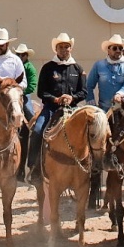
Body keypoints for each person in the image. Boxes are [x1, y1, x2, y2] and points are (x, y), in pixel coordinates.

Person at [28, 33, 87, 177]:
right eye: (61, 47)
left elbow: (84, 92)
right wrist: (56, 99)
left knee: (88, 132)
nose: (64, 49)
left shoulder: (78, 69)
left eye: (67, 46)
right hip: (51, 108)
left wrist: (71, 98)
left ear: (71, 49)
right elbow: (42, 92)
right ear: (56, 49)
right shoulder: (48, 68)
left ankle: (91, 166)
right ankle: (33, 167)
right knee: (37, 130)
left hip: (72, 108)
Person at [86, 34, 124, 108]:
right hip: (105, 109)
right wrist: (91, 102)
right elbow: (89, 85)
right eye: (115, 48)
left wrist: (120, 94)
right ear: (108, 50)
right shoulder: (98, 65)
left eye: (120, 48)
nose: (118, 50)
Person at [13, 43, 38, 124]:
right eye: (18, 54)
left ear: (27, 56)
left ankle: (33, 126)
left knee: (28, 110)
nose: (20, 57)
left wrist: (21, 92)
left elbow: (32, 86)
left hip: (24, 94)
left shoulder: (30, 68)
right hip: (11, 93)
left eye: (23, 54)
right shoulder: (12, 65)